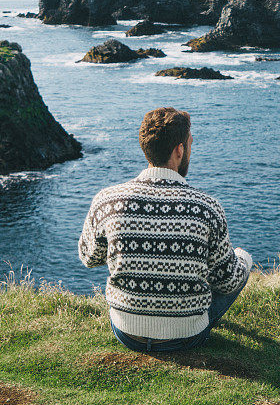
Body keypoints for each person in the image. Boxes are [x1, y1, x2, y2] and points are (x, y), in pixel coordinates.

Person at [78, 107, 252, 352]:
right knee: (241, 259)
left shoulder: (107, 200)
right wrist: (243, 259)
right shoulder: (207, 207)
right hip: (187, 336)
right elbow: (228, 282)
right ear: (179, 150)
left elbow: (89, 258)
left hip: (127, 332)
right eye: (190, 143)